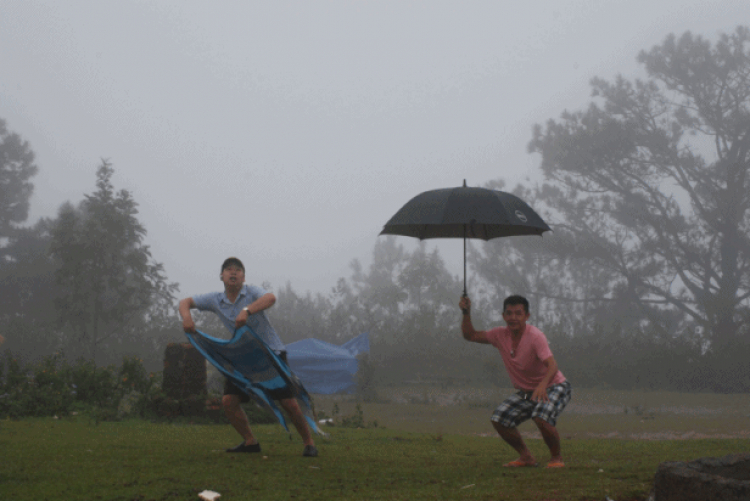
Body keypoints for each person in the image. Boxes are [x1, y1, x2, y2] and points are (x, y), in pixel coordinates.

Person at [179, 257, 318, 457]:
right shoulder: (215, 299)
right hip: (244, 358)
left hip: (271, 353)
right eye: (228, 270)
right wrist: (187, 317)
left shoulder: (252, 292)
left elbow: (271, 298)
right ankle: (251, 442)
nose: (233, 273)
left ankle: (309, 443)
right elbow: (185, 301)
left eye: (238, 270)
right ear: (221, 276)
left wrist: (247, 310)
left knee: (288, 402)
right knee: (228, 401)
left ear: (244, 277)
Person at [458, 294, 571, 468]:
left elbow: (553, 365)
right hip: (528, 394)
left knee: (541, 417)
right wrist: (466, 312)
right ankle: (526, 457)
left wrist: (542, 385)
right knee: (499, 418)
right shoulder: (499, 335)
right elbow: (470, 335)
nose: (513, 318)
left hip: (554, 387)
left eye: (518, 313)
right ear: (503, 316)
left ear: (527, 316)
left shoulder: (535, 336)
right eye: (509, 313)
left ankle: (557, 459)